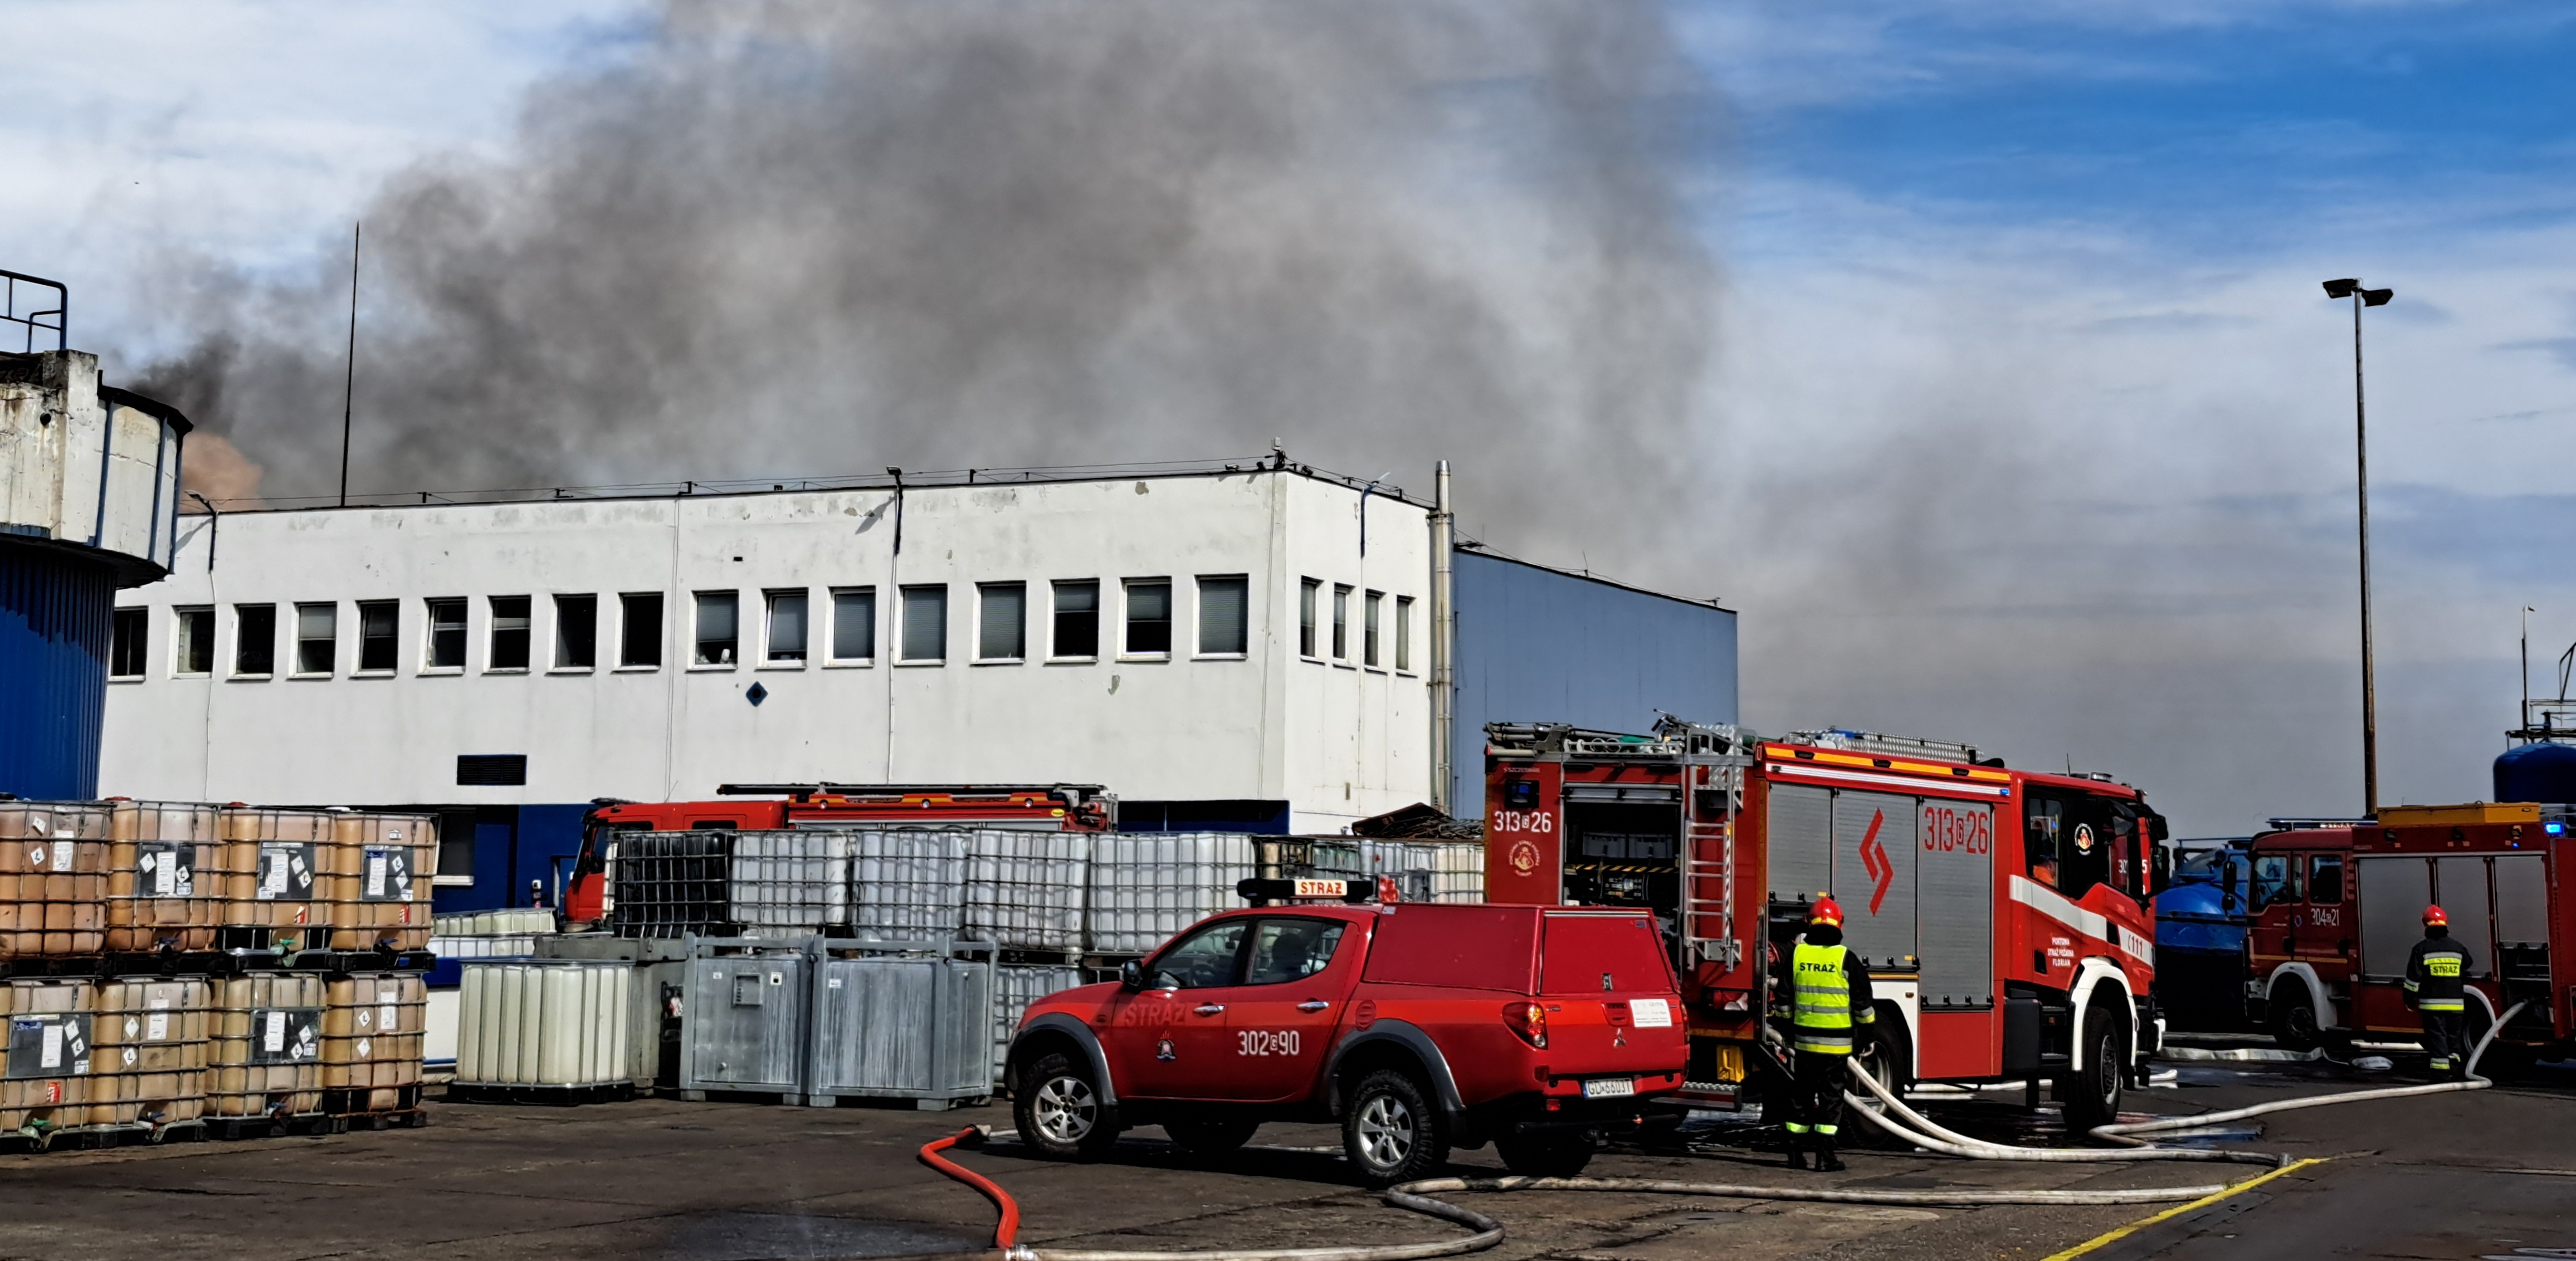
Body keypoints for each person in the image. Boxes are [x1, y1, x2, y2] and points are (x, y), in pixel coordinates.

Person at [1772, 897, 1875, 1172]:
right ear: (1839, 924)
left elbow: (1782, 1000)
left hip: (1805, 1045)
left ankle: (1795, 1154)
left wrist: (1786, 1029)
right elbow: (1863, 1005)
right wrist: (1866, 1036)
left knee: (1801, 1096)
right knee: (1831, 1100)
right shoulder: (1846, 958)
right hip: (1837, 1048)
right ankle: (1825, 1157)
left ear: (1808, 923)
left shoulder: (1797, 955)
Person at [2404, 905, 2473, 1081]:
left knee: (2438, 1038)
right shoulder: (2457, 948)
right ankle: (2455, 1067)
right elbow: (2468, 963)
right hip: (2456, 1004)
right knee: (2454, 1037)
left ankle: (2440, 1074)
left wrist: (2410, 999)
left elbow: (2413, 979)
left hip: (2433, 1005)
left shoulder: (2421, 949)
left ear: (2426, 924)